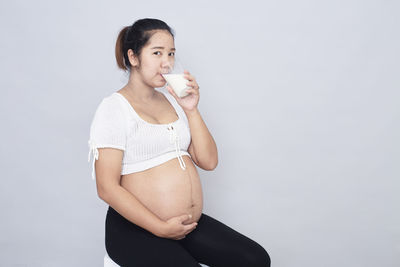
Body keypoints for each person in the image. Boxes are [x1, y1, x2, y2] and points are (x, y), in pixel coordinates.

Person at [88, 18, 271, 267]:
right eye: (157, 53)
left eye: (171, 53)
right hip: (134, 229)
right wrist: (161, 228)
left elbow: (208, 161)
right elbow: (106, 188)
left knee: (255, 260)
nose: (167, 62)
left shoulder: (173, 101)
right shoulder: (113, 109)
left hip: (184, 225)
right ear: (133, 57)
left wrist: (192, 110)